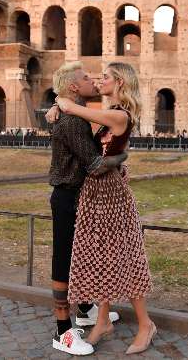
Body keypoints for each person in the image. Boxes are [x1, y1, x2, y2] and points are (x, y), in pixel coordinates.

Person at [52, 62, 156, 354]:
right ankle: (101, 320)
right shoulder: (113, 112)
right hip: (97, 192)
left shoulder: (118, 114)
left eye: (106, 77)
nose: (99, 80)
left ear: (120, 82)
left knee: (124, 255)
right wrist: (57, 106)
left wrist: (60, 103)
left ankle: (145, 324)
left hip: (111, 194)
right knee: (101, 255)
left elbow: (76, 111)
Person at [45, 62, 127, 356]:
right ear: (74, 88)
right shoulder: (72, 122)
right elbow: (94, 165)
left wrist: (56, 105)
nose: (92, 80)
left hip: (74, 195)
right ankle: (62, 331)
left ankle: (84, 310)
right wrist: (122, 157)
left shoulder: (73, 115)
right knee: (63, 259)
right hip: (67, 196)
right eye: (85, 78)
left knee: (80, 254)